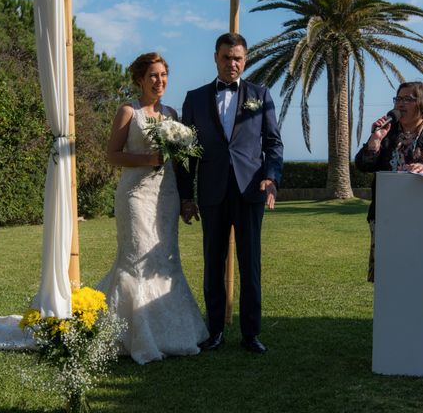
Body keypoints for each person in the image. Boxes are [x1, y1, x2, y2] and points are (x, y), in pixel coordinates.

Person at [97, 52, 209, 364]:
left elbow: (184, 160)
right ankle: (129, 333)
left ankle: (170, 332)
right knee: (134, 258)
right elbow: (112, 155)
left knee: (164, 259)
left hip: (166, 195)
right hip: (135, 194)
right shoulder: (127, 111)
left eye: (163, 75)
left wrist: (187, 195)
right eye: (153, 76)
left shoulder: (172, 114)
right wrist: (148, 159)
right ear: (140, 80)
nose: (159, 81)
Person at [177, 33, 284, 354]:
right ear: (215, 58)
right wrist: (186, 196)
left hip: (250, 192)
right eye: (226, 57)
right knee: (213, 264)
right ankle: (214, 331)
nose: (232, 63)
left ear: (245, 59)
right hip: (212, 193)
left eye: (238, 58)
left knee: (249, 265)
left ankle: (251, 334)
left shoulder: (260, 94)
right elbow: (186, 153)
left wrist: (271, 178)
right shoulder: (194, 98)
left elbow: (273, 144)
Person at [354, 81, 423, 285]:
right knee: (390, 276)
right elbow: (363, 165)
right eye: (397, 99)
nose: (400, 104)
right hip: (388, 214)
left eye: (407, 99)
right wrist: (375, 140)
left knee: (422, 277)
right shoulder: (387, 133)